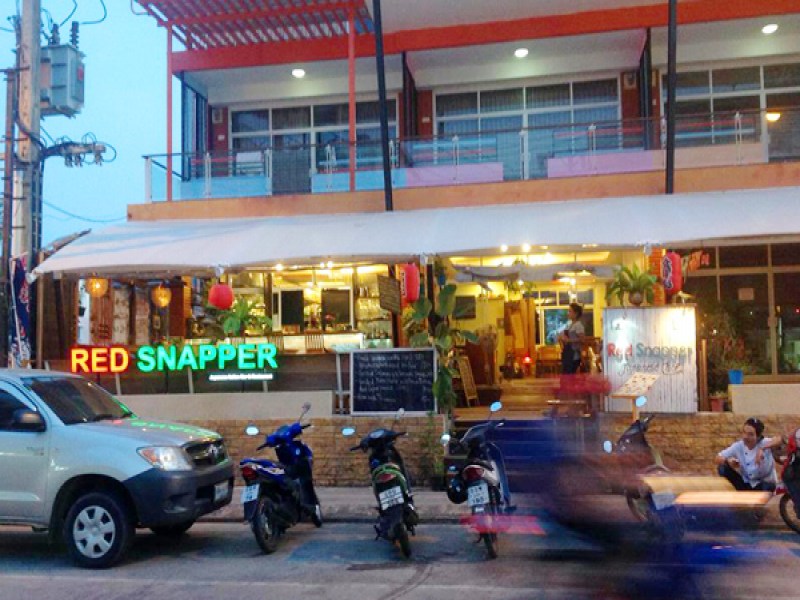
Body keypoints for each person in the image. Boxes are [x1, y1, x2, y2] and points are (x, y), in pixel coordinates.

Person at [715, 417, 781, 491]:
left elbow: (779, 439)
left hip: (764, 483)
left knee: (768, 486)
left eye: (750, 434)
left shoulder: (765, 442)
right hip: (746, 482)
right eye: (744, 432)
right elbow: (718, 457)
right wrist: (728, 461)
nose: (745, 437)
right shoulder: (739, 446)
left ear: (758, 436)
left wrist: (762, 449)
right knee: (722, 468)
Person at [558, 303, 585, 375]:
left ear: (576, 314)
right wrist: (561, 339)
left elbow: (582, 340)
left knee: (570, 377)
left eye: (570, 311)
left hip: (574, 356)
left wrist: (569, 340)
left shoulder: (578, 325)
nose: (568, 313)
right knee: (565, 376)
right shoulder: (569, 325)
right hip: (567, 354)